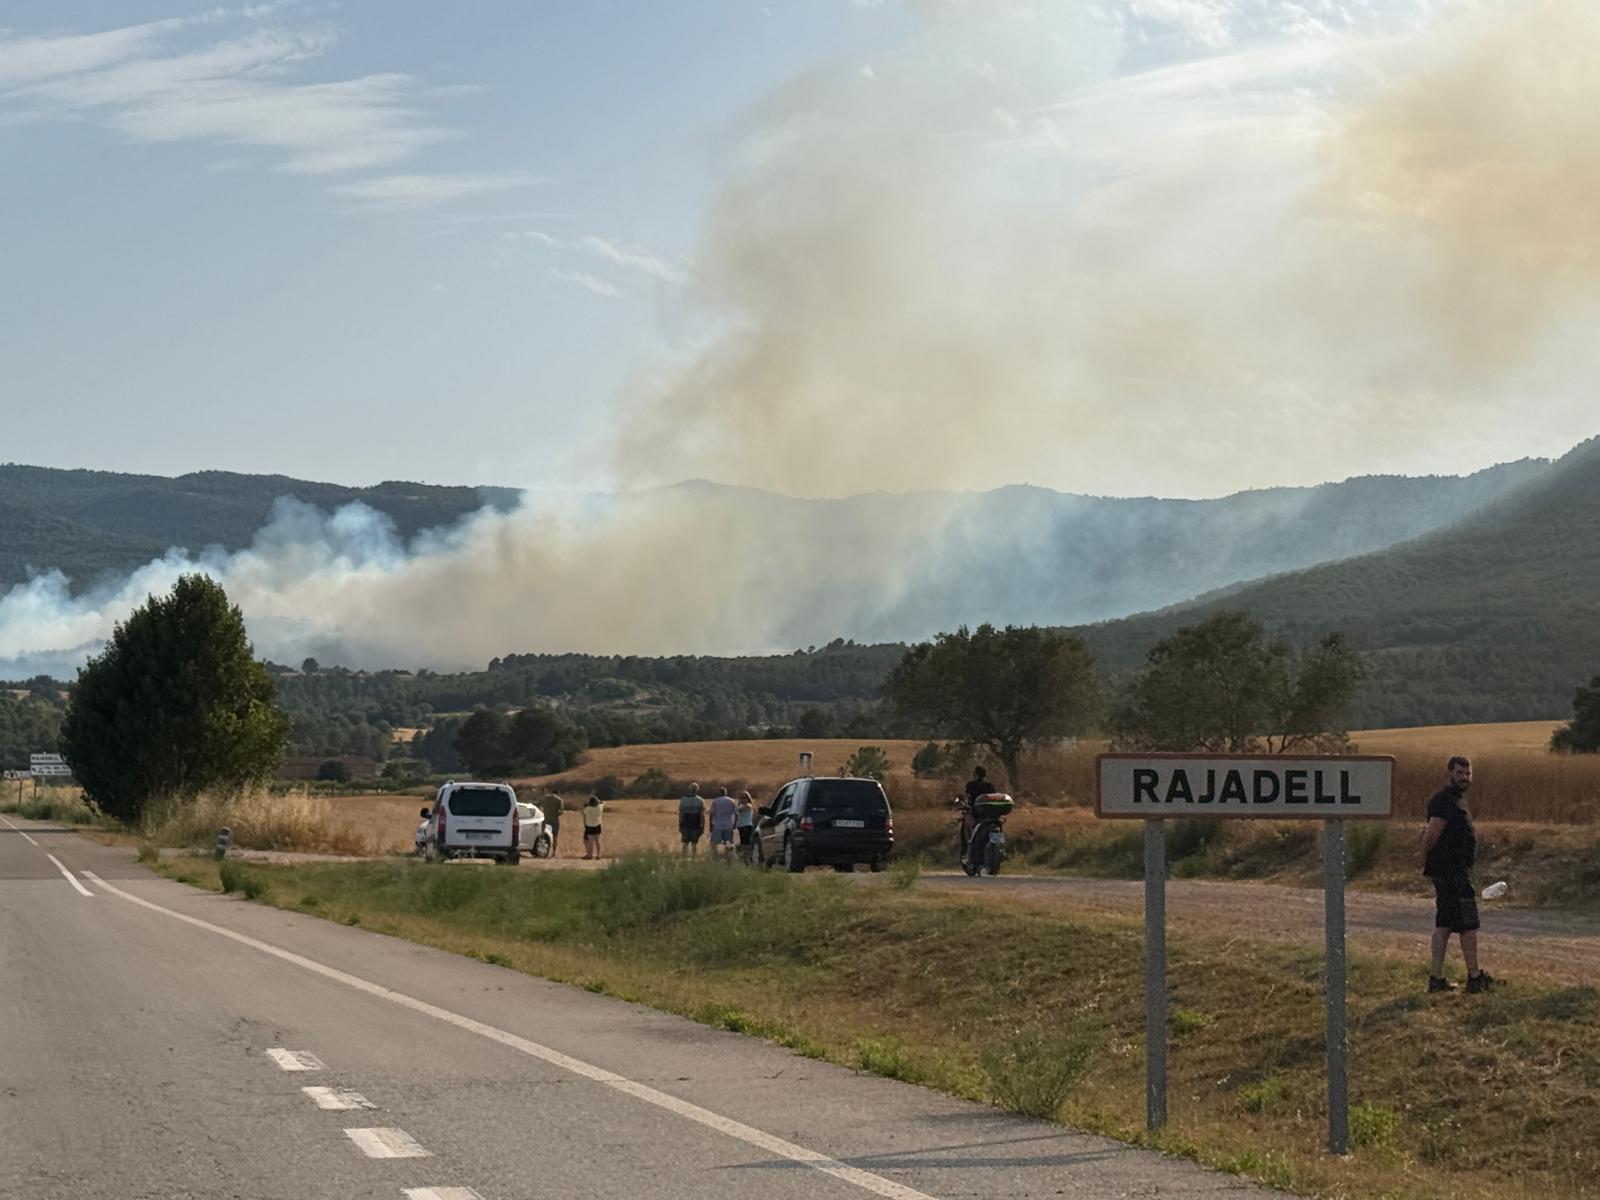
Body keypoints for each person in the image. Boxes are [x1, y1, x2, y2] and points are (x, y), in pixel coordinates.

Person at [1420, 756, 1493, 993]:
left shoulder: (1455, 800)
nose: (1464, 778)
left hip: (1452, 870)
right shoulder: (1445, 801)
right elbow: (1432, 833)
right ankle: (1474, 978)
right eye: (1460, 773)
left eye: (1468, 774)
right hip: (1452, 872)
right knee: (1468, 925)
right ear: (1450, 773)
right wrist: (1425, 856)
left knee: (1445, 924)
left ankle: (1436, 979)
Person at [708, 785, 739, 859]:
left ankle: (715, 857)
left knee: (714, 843)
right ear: (726, 793)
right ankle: (727, 857)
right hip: (728, 825)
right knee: (728, 843)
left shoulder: (715, 801)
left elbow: (711, 813)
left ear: (719, 793)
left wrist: (710, 824)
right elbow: (736, 814)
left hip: (717, 825)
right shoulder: (731, 801)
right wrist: (735, 824)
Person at [678, 782, 705, 857]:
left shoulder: (683, 799)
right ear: (697, 790)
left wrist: (680, 824)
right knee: (694, 843)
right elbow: (702, 815)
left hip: (685, 823)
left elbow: (681, 814)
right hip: (695, 823)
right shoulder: (700, 800)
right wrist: (702, 825)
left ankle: (683, 857)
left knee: (685, 843)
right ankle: (693, 858)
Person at [735, 791, 756, 863]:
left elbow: (738, 810)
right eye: (741, 797)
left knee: (746, 845)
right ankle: (745, 859)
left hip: (746, 826)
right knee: (743, 843)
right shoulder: (741, 805)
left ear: (748, 798)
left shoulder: (748, 805)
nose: (742, 799)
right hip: (741, 826)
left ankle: (749, 859)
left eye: (744, 797)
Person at [582, 795, 604, 860]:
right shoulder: (599, 808)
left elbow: (584, 814)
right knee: (597, 841)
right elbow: (602, 803)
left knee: (591, 842)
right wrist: (600, 802)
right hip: (597, 826)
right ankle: (598, 855)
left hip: (589, 826)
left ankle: (590, 855)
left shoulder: (587, 809)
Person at [544, 792, 563, 857]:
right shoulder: (559, 800)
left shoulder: (546, 799)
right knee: (555, 836)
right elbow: (561, 811)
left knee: (545, 836)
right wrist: (555, 813)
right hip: (555, 820)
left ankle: (546, 852)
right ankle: (553, 852)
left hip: (546, 819)